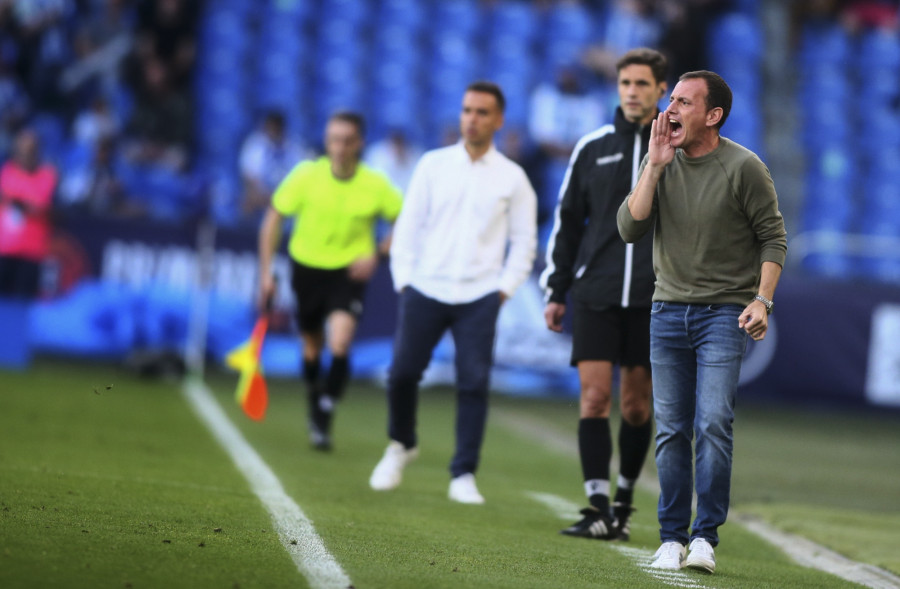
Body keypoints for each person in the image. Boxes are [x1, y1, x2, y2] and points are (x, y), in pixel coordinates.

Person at [617, 70, 787, 572]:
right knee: (670, 427)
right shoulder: (660, 160)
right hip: (666, 309)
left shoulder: (745, 167)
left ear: (712, 116)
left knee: (713, 423)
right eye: (671, 99)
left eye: (684, 102)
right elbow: (629, 228)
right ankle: (671, 537)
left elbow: (773, 239)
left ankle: (705, 537)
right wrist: (653, 166)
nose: (670, 109)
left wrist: (763, 300)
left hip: (723, 315)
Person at [368, 81, 538, 504]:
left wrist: (504, 289)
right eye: (466, 110)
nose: (472, 119)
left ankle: (463, 473)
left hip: (480, 295)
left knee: (474, 383)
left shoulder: (513, 178)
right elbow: (407, 226)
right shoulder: (432, 164)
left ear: (498, 120)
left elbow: (525, 241)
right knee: (402, 373)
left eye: (482, 112)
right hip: (425, 286)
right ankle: (401, 444)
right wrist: (404, 280)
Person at [541, 48, 668, 541]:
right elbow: (568, 222)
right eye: (625, 83)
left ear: (661, 90)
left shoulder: (679, 150)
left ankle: (623, 501)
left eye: (642, 83)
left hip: (653, 297)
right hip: (595, 292)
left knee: (637, 406)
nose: (632, 92)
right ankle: (596, 508)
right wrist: (556, 289)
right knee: (593, 398)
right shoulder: (592, 147)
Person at [258, 111, 403, 451]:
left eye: (347, 140)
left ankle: (325, 410)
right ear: (326, 141)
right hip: (306, 268)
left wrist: (378, 255)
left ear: (360, 143)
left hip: (347, 273)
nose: (339, 147)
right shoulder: (306, 175)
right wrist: (265, 273)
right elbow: (272, 219)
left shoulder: (375, 183)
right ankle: (314, 398)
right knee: (311, 344)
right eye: (334, 139)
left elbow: (405, 220)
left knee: (340, 341)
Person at [0, 129, 58, 298]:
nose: (25, 153)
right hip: (4, 250)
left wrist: (16, 201)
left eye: (30, 149)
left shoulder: (47, 175)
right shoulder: (7, 171)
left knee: (21, 307)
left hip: (32, 253)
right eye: (22, 149)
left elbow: (41, 207)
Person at [239, 110, 308, 225]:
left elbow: (301, 176)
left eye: (276, 128)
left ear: (282, 128)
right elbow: (249, 179)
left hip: (287, 196)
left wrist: (282, 197)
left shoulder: (295, 147)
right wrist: (268, 198)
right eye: (270, 128)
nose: (272, 132)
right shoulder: (255, 145)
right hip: (261, 197)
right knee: (247, 201)